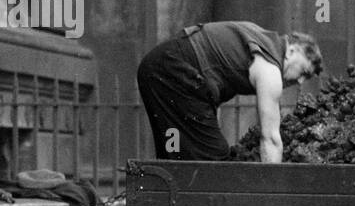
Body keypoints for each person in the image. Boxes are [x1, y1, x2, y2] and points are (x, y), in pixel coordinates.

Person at [136, 21, 322, 162]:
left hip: (158, 66)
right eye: (304, 72)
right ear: (291, 51)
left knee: (175, 154)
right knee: (214, 160)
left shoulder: (258, 37)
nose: (299, 81)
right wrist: (271, 193)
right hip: (175, 71)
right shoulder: (270, 69)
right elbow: (271, 139)